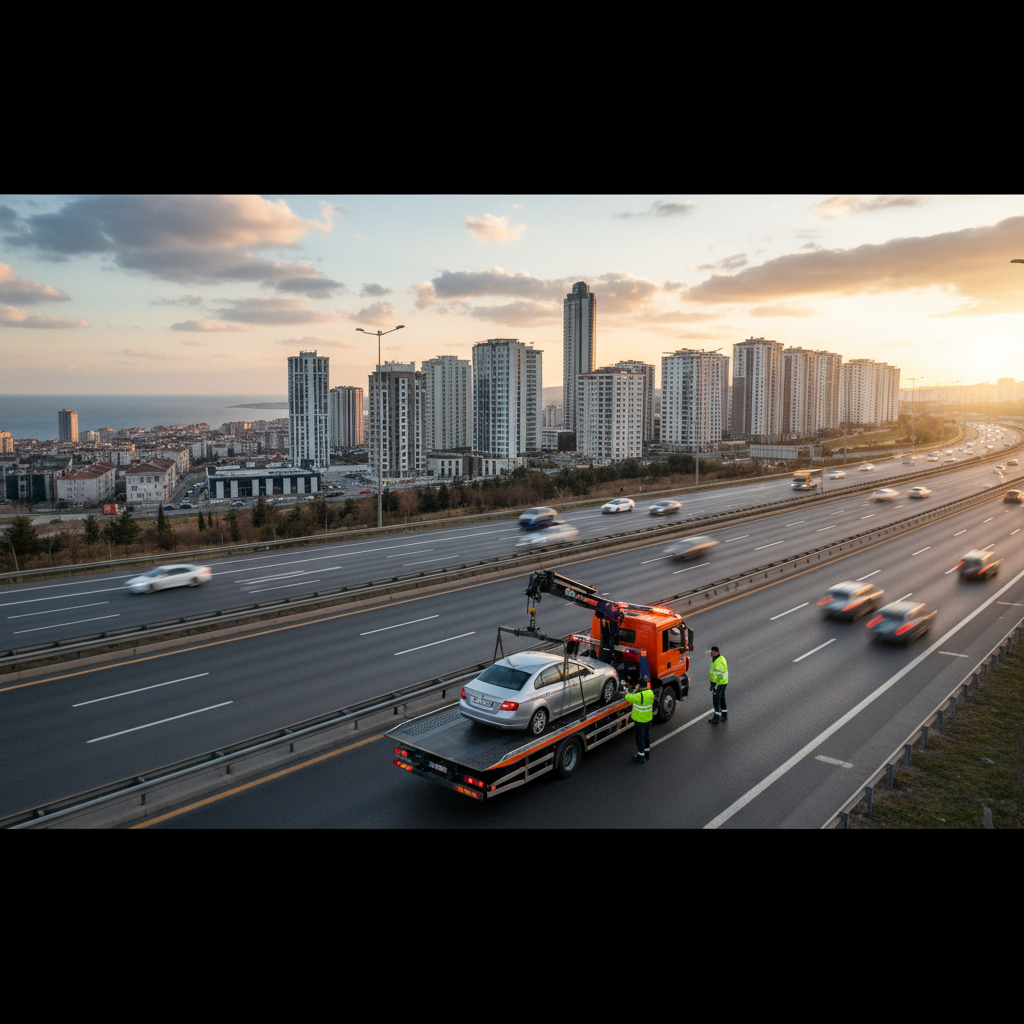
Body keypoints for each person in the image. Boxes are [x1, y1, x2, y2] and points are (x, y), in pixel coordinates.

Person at [625, 674, 655, 763]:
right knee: (646, 736)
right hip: (648, 718)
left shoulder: (638, 696)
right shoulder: (651, 693)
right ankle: (647, 752)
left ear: (639, 686)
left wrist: (627, 690)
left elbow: (627, 697)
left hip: (639, 720)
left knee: (639, 737)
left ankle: (641, 756)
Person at [708, 646, 729, 724]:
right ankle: (724, 715)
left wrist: (715, 685)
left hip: (719, 683)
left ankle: (717, 717)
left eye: (711, 651)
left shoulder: (718, 662)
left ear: (715, 652)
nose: (710, 653)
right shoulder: (721, 658)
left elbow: (718, 674)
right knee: (722, 698)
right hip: (723, 682)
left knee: (716, 700)